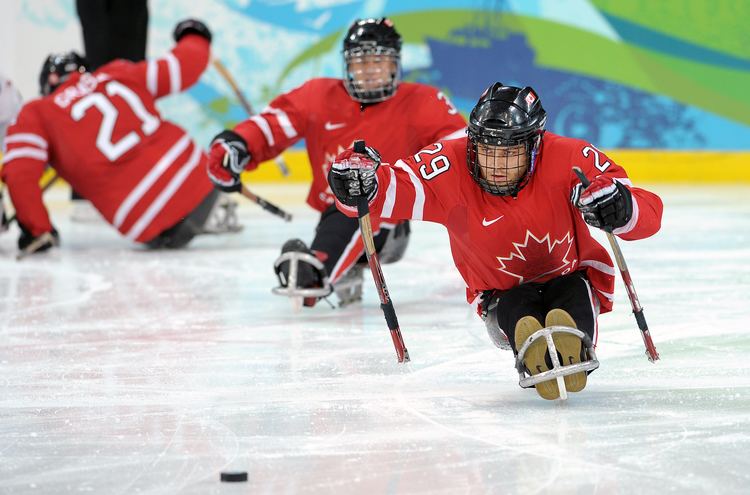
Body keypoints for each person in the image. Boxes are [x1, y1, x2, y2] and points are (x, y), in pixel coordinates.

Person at [328, 82, 664, 400]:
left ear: (535, 144)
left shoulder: (569, 157)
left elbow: (646, 209)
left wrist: (620, 207)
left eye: (510, 152)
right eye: (487, 151)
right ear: (472, 141)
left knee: (572, 292)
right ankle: (531, 344)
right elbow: (394, 189)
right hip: (499, 296)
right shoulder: (447, 165)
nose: (496, 165)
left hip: (572, 277)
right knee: (516, 305)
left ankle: (571, 339)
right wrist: (360, 185)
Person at [206, 17, 466, 307]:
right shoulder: (317, 96)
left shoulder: (423, 101)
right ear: (347, 65)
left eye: (377, 61)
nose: (368, 70)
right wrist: (239, 143)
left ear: (394, 64)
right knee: (345, 209)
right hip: (332, 214)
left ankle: (316, 272)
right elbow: (274, 124)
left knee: (359, 201)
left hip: (391, 222)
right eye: (359, 62)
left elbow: (460, 147)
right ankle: (341, 262)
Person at [1, 19, 236, 255]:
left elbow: (20, 175)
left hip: (149, 222)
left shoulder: (35, 113)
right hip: (202, 181)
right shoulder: (117, 72)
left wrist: (37, 228)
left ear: (47, 84)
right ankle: (217, 208)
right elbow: (183, 66)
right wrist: (194, 35)